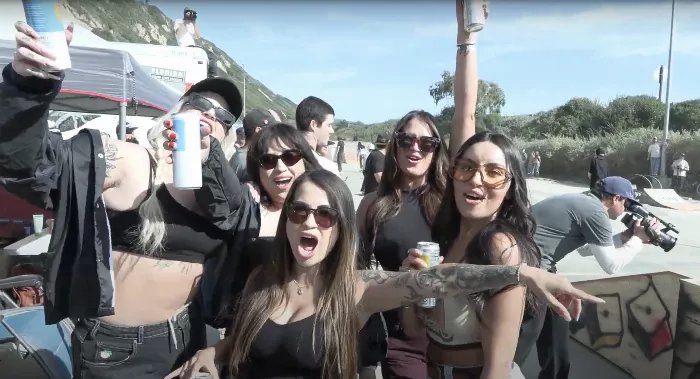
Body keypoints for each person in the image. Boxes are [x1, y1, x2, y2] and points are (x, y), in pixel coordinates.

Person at [166, 169, 603, 379]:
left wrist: (523, 273)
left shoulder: (357, 291)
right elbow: (246, 343)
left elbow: (439, 279)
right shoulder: (262, 280)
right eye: (299, 211)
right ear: (287, 221)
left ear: (341, 229)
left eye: (325, 215)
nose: (310, 222)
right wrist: (216, 354)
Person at [0, 21, 244, 378]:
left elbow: (233, 214)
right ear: (177, 109)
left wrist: (209, 161)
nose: (209, 114)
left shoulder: (220, 189)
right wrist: (31, 85)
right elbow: (28, 167)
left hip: (187, 334)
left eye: (222, 116)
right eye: (199, 103)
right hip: (120, 349)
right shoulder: (129, 158)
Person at [355, 2, 484, 376]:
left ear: (437, 150)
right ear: (393, 146)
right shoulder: (371, 205)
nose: (415, 148)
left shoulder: (451, 196)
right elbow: (354, 275)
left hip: (457, 331)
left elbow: (465, 113)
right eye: (406, 140)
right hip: (400, 337)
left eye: (426, 144)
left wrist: (466, 39)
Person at [400, 130, 539, 379]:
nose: (476, 180)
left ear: (510, 187)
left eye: (494, 173)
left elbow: (497, 369)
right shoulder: (445, 239)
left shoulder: (501, 248)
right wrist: (411, 286)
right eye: (466, 167)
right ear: (453, 175)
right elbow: (413, 330)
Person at [516, 176, 660, 379]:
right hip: (527, 278)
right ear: (615, 198)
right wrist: (638, 240)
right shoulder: (595, 212)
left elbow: (585, 249)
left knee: (558, 327)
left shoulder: (584, 200)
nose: (626, 211)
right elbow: (611, 265)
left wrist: (625, 238)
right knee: (519, 343)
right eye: (627, 204)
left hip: (538, 271)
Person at [229, 109, 282, 183]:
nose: (272, 135)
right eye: (270, 130)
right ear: (258, 131)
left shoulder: (246, 157)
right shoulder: (245, 161)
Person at [295, 96, 340, 176]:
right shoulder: (327, 168)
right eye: (329, 125)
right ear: (313, 124)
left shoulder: (282, 160)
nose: (332, 131)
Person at [174, 7, 217, 78]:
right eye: (188, 13)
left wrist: (194, 24)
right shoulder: (178, 21)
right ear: (185, 13)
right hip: (185, 46)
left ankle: (209, 75)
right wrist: (184, 22)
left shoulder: (191, 24)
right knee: (210, 55)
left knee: (210, 55)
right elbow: (177, 33)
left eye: (191, 13)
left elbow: (198, 36)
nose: (189, 15)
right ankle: (213, 75)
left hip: (192, 46)